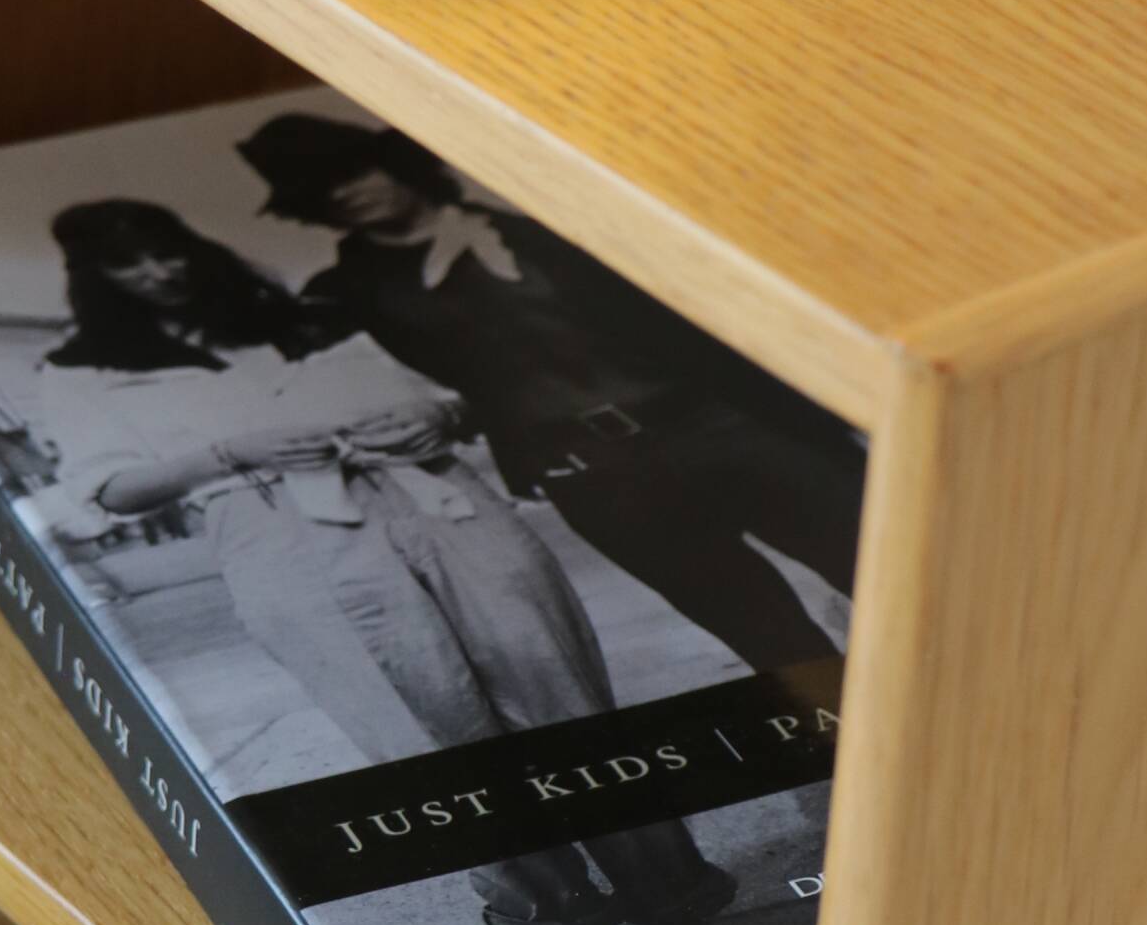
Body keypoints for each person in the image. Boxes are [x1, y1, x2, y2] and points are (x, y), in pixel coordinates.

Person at [36, 199, 733, 925]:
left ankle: (672, 908)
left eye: (166, 251)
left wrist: (439, 416)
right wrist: (228, 453)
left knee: (565, 707)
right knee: (427, 744)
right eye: (127, 264)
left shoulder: (306, 316)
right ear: (94, 280)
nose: (155, 272)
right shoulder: (80, 371)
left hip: (439, 498)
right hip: (277, 528)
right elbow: (107, 492)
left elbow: (451, 396)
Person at [234, 115, 864, 677]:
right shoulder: (348, 292)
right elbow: (269, 352)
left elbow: (715, 323)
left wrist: (824, 423)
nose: (345, 192)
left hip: (729, 428)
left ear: (396, 162)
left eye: (351, 171)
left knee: (891, 581)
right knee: (771, 640)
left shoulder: (545, 229)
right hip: (596, 474)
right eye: (319, 190)